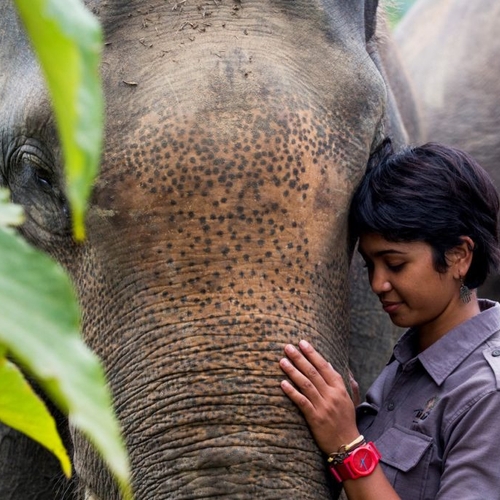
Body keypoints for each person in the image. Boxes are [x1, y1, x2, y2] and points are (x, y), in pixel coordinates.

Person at [279, 140, 500, 499]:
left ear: (459, 256)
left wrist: (349, 447)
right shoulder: (407, 363)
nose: (377, 284)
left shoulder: (487, 395)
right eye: (370, 265)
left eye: (395, 264)